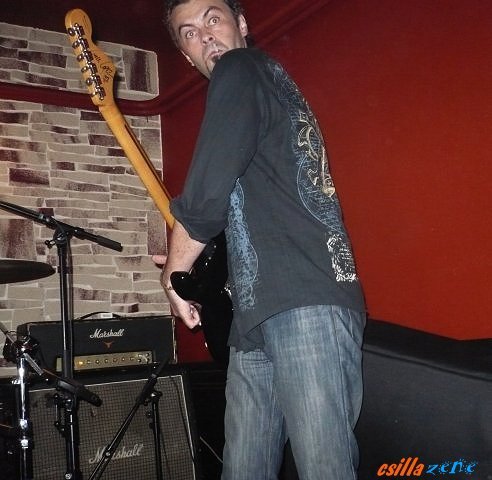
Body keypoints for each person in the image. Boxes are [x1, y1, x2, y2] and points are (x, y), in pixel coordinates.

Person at [153, 1, 367, 478]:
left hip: (303, 300)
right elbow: (248, 208)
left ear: (243, 24)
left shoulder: (242, 67)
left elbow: (205, 194)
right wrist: (199, 259)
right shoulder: (262, 86)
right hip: (255, 313)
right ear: (186, 56)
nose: (205, 36)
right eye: (189, 32)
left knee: (324, 469)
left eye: (213, 19)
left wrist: (174, 273)